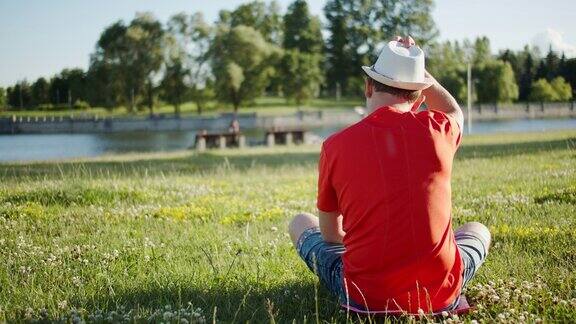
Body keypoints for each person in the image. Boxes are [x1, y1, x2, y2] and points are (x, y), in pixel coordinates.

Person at [288, 36, 491, 314]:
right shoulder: (438, 131)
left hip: (365, 298)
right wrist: (420, 72)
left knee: (301, 222)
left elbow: (331, 234)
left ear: (368, 86)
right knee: (478, 230)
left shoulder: (334, 145)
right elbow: (454, 111)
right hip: (440, 296)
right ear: (420, 98)